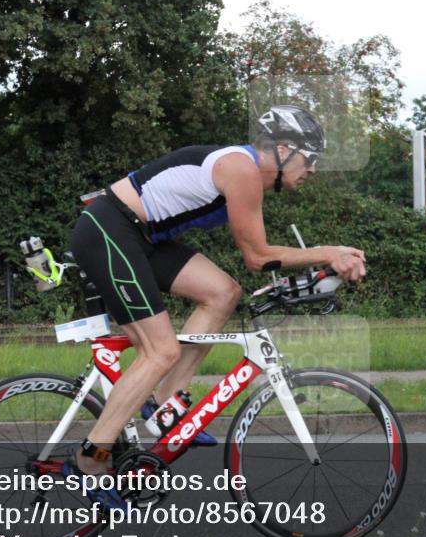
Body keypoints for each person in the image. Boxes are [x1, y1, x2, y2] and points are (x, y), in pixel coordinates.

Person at [66, 106, 367, 508]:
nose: (312, 169)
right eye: (310, 158)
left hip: (140, 237)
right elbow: (258, 256)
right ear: (282, 149)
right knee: (161, 350)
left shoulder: (247, 174)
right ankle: (90, 460)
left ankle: (166, 402)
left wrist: (315, 263)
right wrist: (327, 252)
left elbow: (260, 257)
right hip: (110, 230)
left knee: (223, 292)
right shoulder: (241, 169)